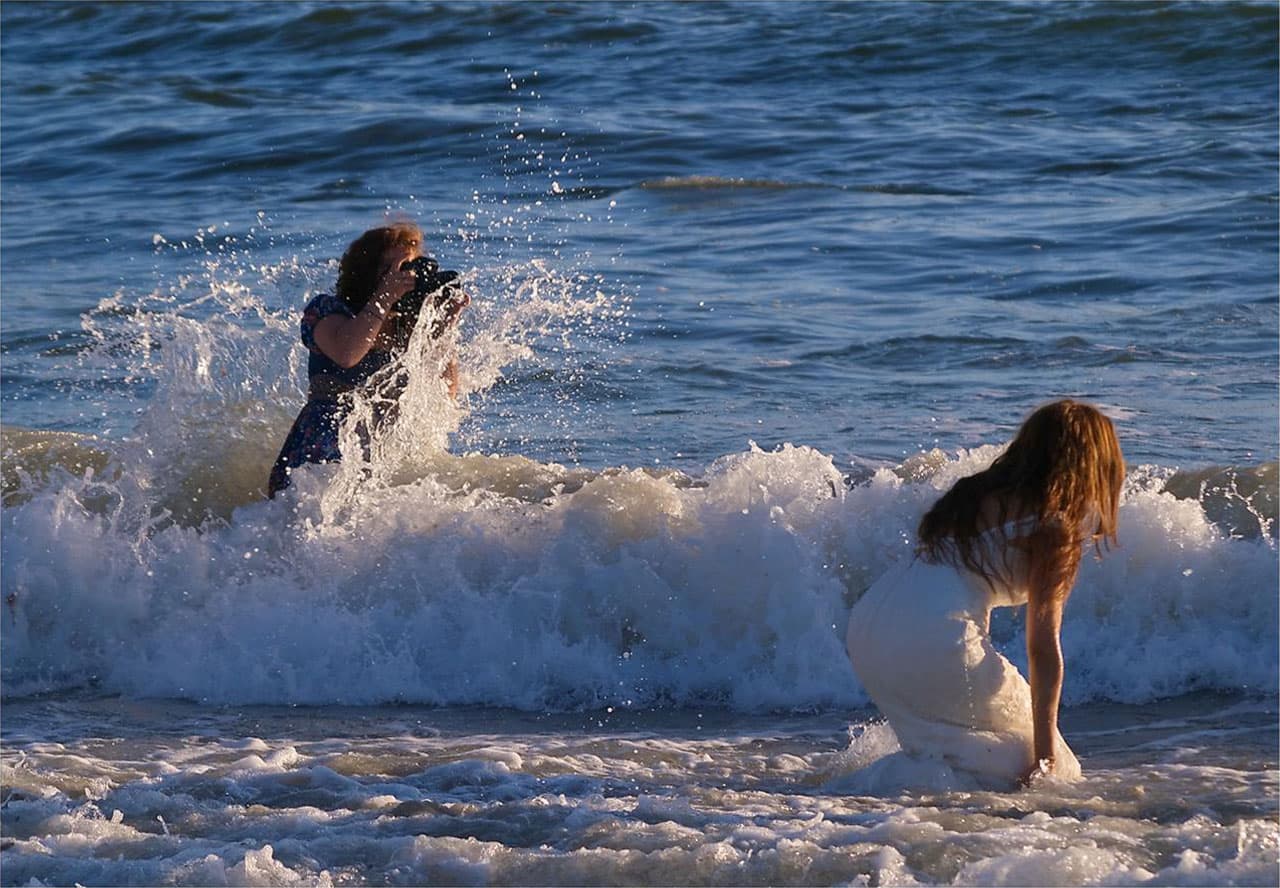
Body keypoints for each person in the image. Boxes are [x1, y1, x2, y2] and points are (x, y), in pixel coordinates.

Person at [845, 399, 1125, 788]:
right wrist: (1044, 758)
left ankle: (869, 797)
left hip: (868, 626)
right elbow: (1042, 647)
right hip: (932, 635)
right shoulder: (1054, 526)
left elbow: (950, 581)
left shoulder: (973, 494)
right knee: (1055, 771)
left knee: (949, 750)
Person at [267, 222, 468, 497]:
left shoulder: (408, 330)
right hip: (319, 459)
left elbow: (445, 397)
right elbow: (348, 353)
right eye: (396, 268)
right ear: (368, 274)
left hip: (378, 457)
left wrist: (443, 332)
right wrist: (384, 297)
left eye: (412, 267)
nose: (406, 276)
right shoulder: (328, 311)